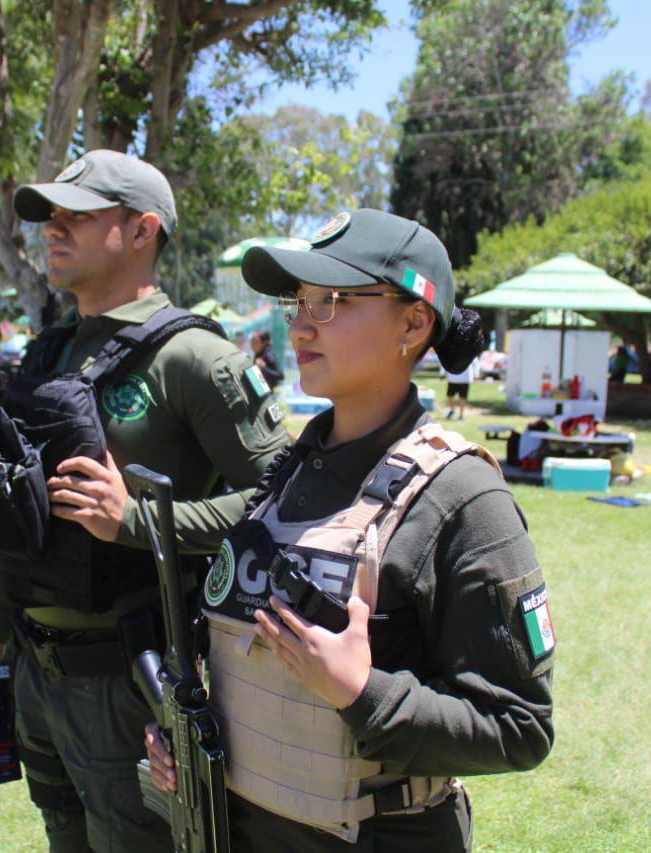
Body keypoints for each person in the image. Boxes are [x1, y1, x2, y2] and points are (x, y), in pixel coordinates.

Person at [143, 209, 555, 851]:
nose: (301, 325)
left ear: (414, 322)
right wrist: (188, 733)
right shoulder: (290, 471)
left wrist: (362, 692)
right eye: (297, 301)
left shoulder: (463, 496)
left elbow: (520, 725)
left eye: (331, 302)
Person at [0, 149, 288, 852]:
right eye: (48, 217)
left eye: (75, 216)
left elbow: (285, 505)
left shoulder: (197, 359)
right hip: (36, 668)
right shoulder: (47, 353)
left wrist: (139, 520)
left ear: (142, 230)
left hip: (131, 684)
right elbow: (33, 510)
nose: (52, 228)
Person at [443, 352, 480, 420]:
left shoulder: (470, 351)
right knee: (449, 396)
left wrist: (476, 374)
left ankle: (461, 415)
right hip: (452, 378)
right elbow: (445, 362)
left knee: (462, 397)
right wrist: (443, 373)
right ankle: (452, 410)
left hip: (464, 379)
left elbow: (475, 363)